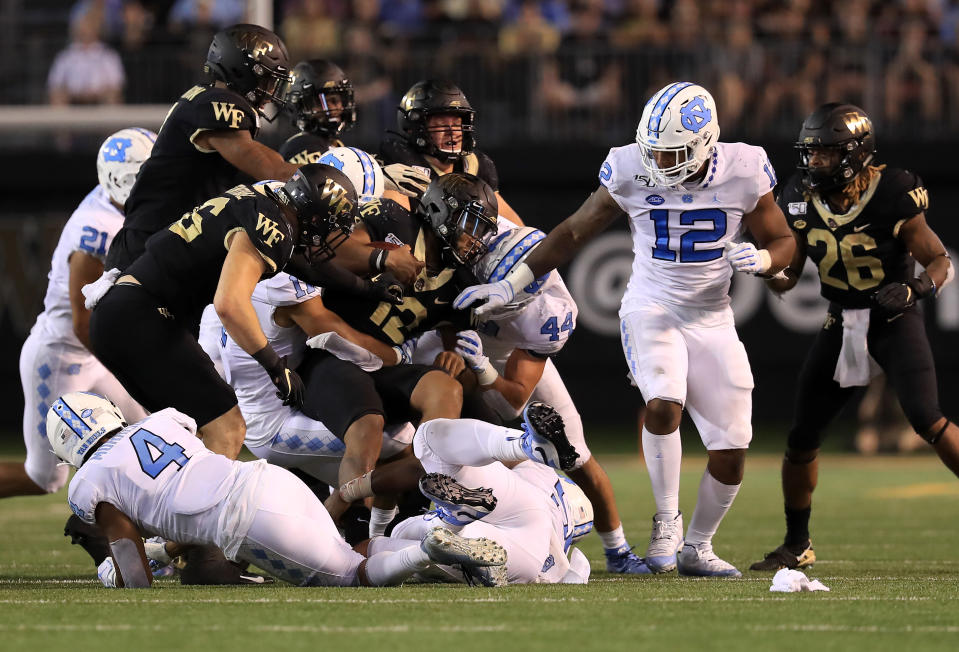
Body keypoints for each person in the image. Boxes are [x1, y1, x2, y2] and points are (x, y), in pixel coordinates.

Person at [454, 82, 796, 577]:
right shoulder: (632, 165)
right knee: (663, 402)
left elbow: (783, 239)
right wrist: (512, 284)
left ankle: (697, 548)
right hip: (650, 305)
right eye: (653, 150)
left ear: (706, 142)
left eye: (672, 152)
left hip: (713, 315)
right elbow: (573, 230)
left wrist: (765, 259)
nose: (659, 161)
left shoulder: (744, 167)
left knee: (733, 444)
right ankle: (666, 519)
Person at [750, 103, 958, 571]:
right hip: (842, 318)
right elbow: (789, 276)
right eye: (811, 154)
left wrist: (914, 289)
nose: (814, 163)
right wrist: (763, 268)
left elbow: (940, 260)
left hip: (894, 317)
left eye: (824, 154)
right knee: (802, 436)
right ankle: (796, 542)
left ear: (854, 154)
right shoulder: (799, 195)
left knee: (929, 420)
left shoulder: (894, 191)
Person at [47, 391, 508, 588]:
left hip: (251, 522)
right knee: (356, 553)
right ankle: (446, 552)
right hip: (265, 479)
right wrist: (166, 552)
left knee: (354, 577)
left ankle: (428, 548)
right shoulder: (161, 420)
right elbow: (183, 497)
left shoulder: (90, 482)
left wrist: (119, 575)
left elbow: (134, 573)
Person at [412, 220, 648, 574]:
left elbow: (513, 402)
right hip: (455, 335)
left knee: (574, 452)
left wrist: (483, 368)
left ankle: (618, 550)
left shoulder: (545, 312)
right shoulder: (473, 239)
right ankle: (418, 514)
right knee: (412, 378)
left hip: (506, 353)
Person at [86, 163, 357, 461]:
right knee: (227, 427)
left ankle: (151, 502)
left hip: (124, 312)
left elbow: (306, 266)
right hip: (143, 315)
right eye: (329, 223)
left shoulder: (258, 199)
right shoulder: (272, 225)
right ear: (314, 213)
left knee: (187, 436)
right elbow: (229, 304)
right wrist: (276, 368)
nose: (327, 232)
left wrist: (367, 285)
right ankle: (202, 508)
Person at [1, 129, 154, 500]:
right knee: (44, 477)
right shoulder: (97, 229)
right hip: (62, 354)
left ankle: (165, 540)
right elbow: (83, 322)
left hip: (96, 351)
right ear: (121, 181)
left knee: (156, 432)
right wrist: (136, 364)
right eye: (147, 175)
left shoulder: (116, 200)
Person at [107, 23, 298, 272]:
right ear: (244, 73)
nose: (272, 93)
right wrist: (331, 180)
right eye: (268, 80)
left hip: (162, 248)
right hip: (145, 252)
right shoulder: (215, 105)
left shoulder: (205, 99)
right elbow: (269, 168)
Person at [375, 403, 592, 585]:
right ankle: (448, 524)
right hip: (531, 555)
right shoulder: (561, 546)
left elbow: (501, 459)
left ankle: (525, 444)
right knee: (406, 543)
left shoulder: (545, 476)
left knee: (427, 438)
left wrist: (356, 490)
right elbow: (577, 573)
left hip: (518, 501)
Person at [379, 79, 524, 225]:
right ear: (414, 128)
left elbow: (515, 228)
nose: (452, 132)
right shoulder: (401, 164)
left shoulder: (475, 165)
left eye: (456, 124)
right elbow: (391, 230)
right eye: (440, 124)